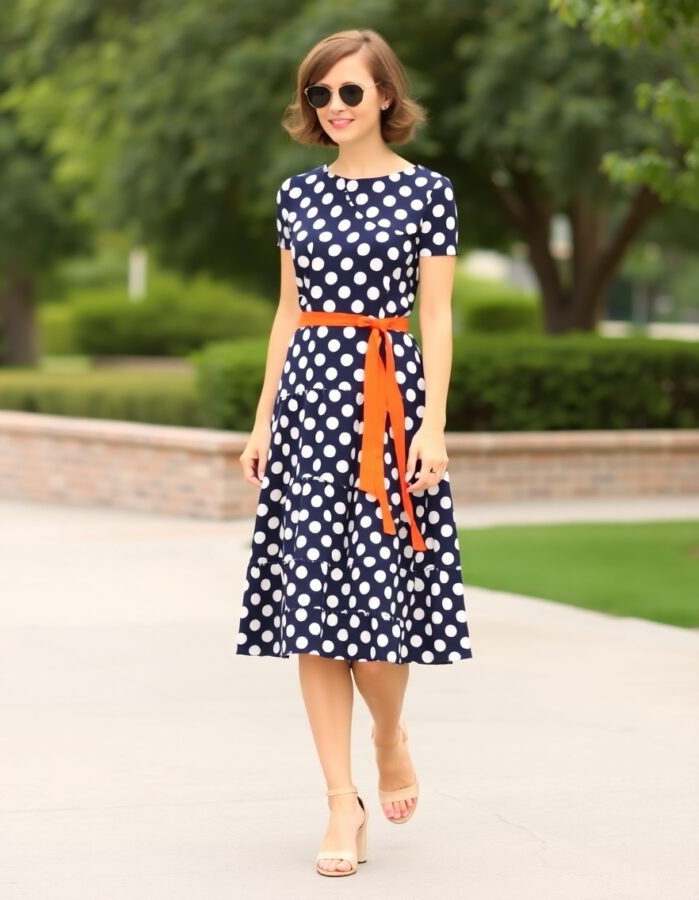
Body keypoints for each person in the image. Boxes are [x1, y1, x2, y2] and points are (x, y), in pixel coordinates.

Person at [236, 27, 473, 877]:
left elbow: (435, 318)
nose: (332, 108)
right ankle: (341, 804)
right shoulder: (295, 196)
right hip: (307, 410)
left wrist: (433, 426)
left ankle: (388, 734)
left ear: (382, 97)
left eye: (347, 92)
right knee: (311, 616)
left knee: (377, 623)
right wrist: (263, 418)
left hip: (386, 408)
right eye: (318, 95)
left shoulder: (429, 195)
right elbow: (288, 313)